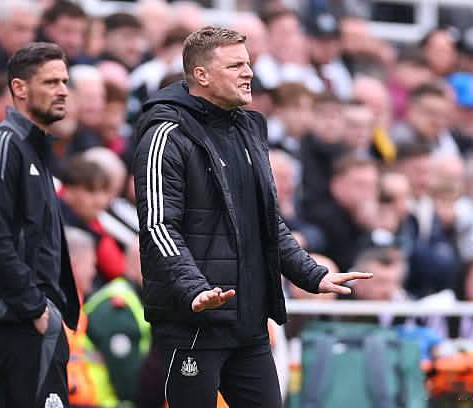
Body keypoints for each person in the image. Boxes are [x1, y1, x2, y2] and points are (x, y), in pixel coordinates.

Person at [131, 26, 371, 407]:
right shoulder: (166, 135)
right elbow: (159, 226)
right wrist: (194, 288)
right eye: (235, 66)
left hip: (249, 324)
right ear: (201, 75)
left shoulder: (249, 128)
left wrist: (312, 275)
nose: (249, 73)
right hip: (194, 324)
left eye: (248, 63)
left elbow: (268, 221)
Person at [0, 43, 79, 407]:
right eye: (51, 82)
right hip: (19, 317)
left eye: (65, 81)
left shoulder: (34, 148)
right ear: (20, 88)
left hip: (33, 316)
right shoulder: (1, 147)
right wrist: (35, 308)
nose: (62, 91)